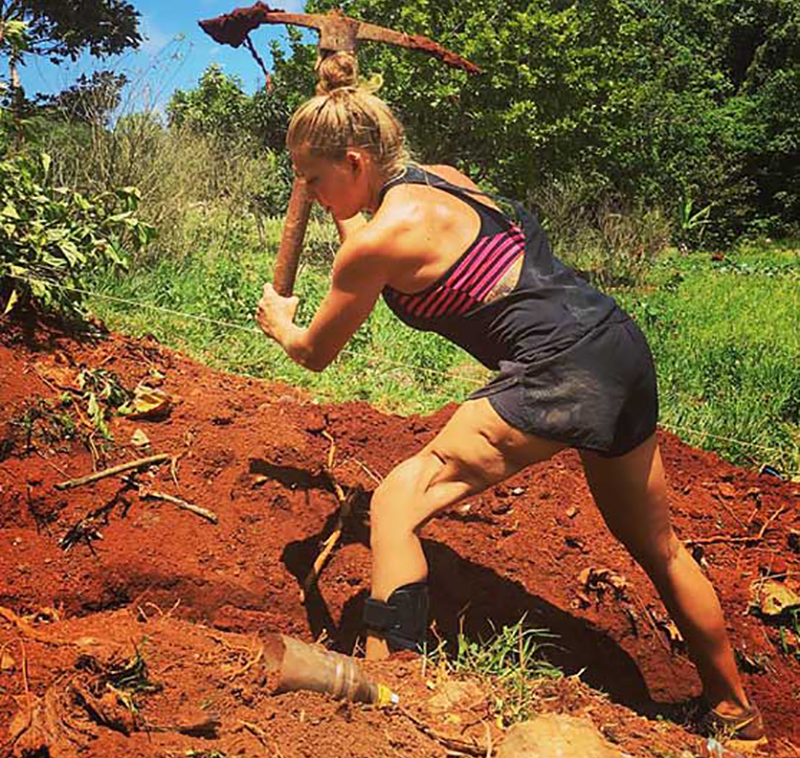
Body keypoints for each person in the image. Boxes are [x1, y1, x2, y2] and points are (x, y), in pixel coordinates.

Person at [254, 53, 763, 741]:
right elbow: (371, 236)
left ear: (353, 162)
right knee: (658, 546)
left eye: (314, 180)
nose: (310, 195)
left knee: (398, 501)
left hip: (559, 369)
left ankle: (391, 703)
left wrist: (282, 323)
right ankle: (735, 712)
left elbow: (315, 354)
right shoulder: (446, 185)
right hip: (616, 345)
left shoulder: (374, 245)